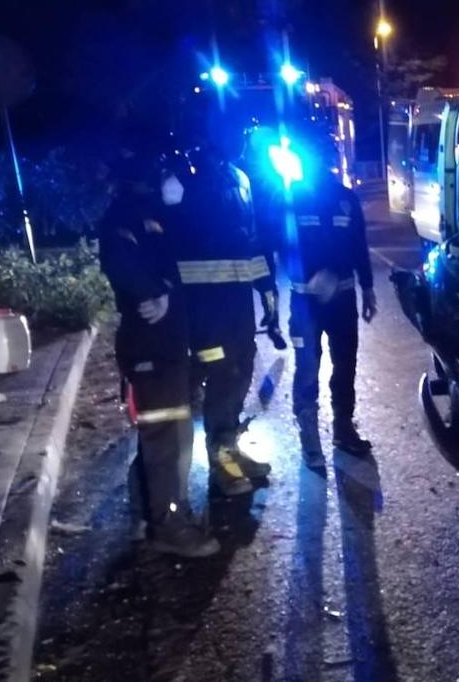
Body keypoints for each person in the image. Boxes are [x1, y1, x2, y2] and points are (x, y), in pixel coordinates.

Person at [99, 139, 219, 558]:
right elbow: (123, 263)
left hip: (167, 344)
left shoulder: (157, 217)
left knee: (165, 434)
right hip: (150, 344)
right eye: (164, 173)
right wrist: (157, 292)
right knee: (167, 437)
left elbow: (174, 259)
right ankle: (168, 525)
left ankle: (147, 514)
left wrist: (165, 288)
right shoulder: (125, 219)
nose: (170, 179)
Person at [166, 139, 279, 495]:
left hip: (236, 304)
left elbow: (253, 239)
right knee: (220, 376)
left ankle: (231, 449)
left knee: (239, 370)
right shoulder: (181, 179)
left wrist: (266, 289)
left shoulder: (239, 178)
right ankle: (221, 463)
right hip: (202, 308)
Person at [270, 126, 377, 469]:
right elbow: (281, 247)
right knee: (307, 368)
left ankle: (343, 428)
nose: (323, 163)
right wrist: (307, 276)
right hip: (306, 302)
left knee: (345, 366)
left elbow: (359, 246)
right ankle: (310, 435)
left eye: (326, 157)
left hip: (343, 301)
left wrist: (368, 287)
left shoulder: (346, 198)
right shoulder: (291, 197)